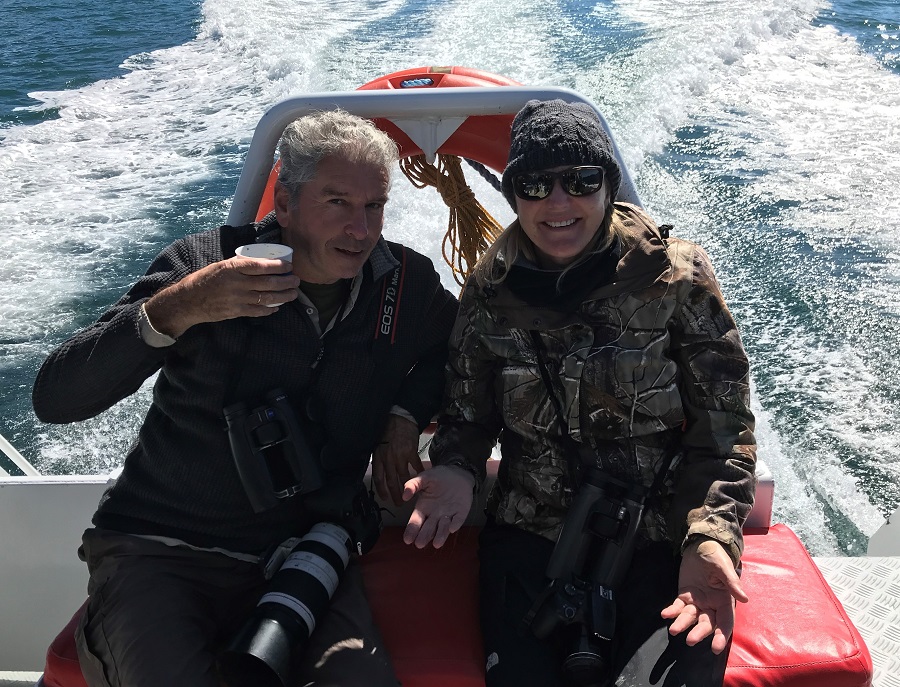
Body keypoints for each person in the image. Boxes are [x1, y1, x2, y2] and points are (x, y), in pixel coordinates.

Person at [32, 109, 458, 687]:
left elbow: (457, 353)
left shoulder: (403, 283)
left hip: (310, 548)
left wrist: (402, 417)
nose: (360, 229)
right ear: (283, 205)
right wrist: (178, 308)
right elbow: (57, 399)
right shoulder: (203, 267)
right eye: (336, 203)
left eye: (374, 206)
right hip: (162, 548)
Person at [402, 99, 757, 687]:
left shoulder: (678, 280)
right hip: (531, 538)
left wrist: (711, 535)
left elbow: (724, 429)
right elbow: (466, 419)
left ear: (608, 185)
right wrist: (458, 469)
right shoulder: (489, 295)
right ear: (514, 194)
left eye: (581, 181)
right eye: (536, 185)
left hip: (659, 541)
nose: (558, 203)